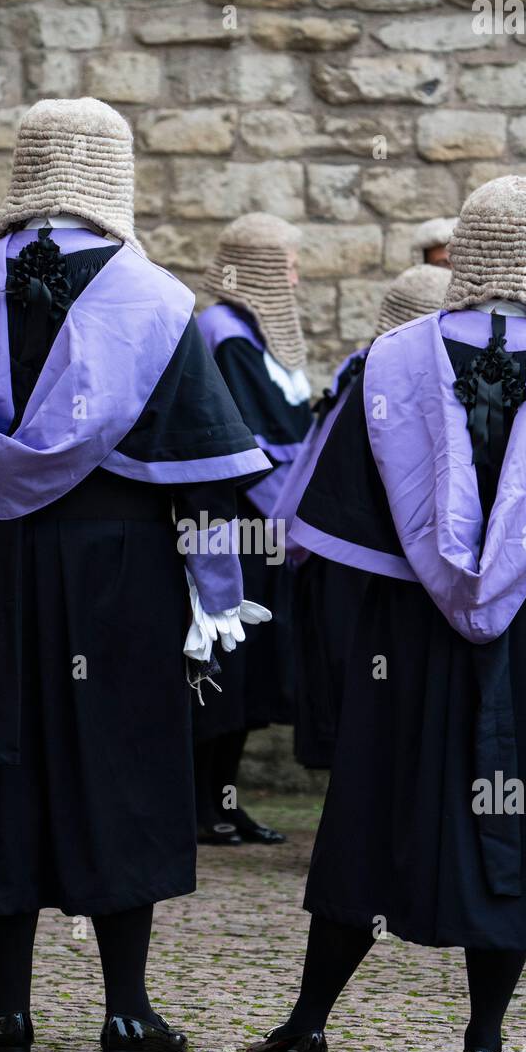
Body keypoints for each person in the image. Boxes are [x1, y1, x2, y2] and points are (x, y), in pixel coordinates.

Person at [0, 98, 271, 1052]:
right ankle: (126, 1009)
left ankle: (7, 1008)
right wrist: (215, 605)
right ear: (112, 177)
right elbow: (206, 476)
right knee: (120, 767)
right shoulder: (159, 303)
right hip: (119, 575)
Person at [245, 177, 526, 1052]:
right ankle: (483, 1045)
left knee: (371, 817)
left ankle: (308, 1028)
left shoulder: (389, 363)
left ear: (467, 248)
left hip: (404, 641)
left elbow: (328, 544)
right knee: (513, 823)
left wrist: (341, 664)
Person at [275, 263, 450, 770]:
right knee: (369, 700)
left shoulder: (363, 368)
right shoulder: (384, 381)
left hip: (336, 554)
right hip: (364, 561)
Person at [193, 213, 313, 845]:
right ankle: (198, 804)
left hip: (268, 531)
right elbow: (250, 444)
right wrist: (291, 518)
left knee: (250, 670)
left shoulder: (260, 341)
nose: (296, 277)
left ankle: (224, 799)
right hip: (237, 528)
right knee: (221, 668)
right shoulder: (224, 333)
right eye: (288, 265)